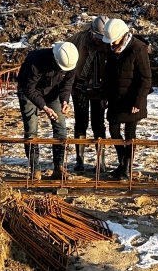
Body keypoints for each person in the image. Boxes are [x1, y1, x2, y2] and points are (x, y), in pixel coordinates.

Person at [16, 42, 78, 181]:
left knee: (61, 127)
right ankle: (35, 169)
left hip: (52, 92)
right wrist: (44, 107)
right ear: (56, 59)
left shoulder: (70, 62)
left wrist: (64, 100)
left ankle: (59, 167)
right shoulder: (36, 61)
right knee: (31, 130)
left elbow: (67, 84)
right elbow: (29, 89)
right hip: (28, 91)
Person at [100, 18, 152, 180]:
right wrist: (104, 95)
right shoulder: (112, 48)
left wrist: (138, 101)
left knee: (130, 134)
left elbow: (145, 78)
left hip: (131, 100)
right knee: (113, 130)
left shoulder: (138, 49)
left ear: (122, 35)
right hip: (115, 97)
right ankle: (122, 163)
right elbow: (107, 74)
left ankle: (127, 168)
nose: (111, 44)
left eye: (113, 40)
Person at [65, 15, 110, 172]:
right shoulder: (79, 38)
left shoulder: (109, 44)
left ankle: (101, 162)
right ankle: (80, 160)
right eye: (97, 37)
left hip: (99, 90)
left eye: (102, 38)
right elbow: (65, 51)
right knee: (80, 123)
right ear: (91, 32)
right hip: (80, 88)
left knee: (98, 124)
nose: (99, 40)